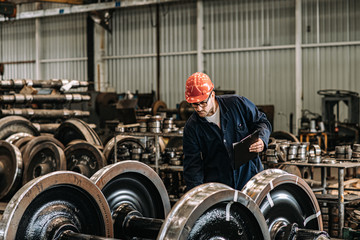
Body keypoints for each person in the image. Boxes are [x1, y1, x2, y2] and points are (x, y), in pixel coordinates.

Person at [182, 72, 272, 191]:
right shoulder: (192, 128)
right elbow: (193, 166)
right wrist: (197, 196)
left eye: (203, 102)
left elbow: (262, 122)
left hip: (250, 181)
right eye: (194, 104)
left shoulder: (237, 104)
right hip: (219, 188)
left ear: (212, 95)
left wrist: (262, 138)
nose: (199, 108)